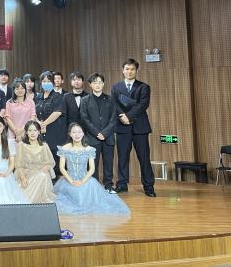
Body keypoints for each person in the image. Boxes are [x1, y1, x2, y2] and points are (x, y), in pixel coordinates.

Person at [54, 123, 130, 215]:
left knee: (85, 199)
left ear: (83, 134)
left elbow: (92, 169)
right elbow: (62, 168)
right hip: (68, 179)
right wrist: (71, 181)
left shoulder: (89, 149)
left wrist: (82, 181)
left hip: (85, 179)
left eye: (79, 132)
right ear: (70, 134)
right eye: (74, 132)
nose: (77, 135)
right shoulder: (65, 148)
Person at [111, 58, 156, 197]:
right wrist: (122, 116)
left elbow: (143, 105)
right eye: (127, 69)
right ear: (122, 70)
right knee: (122, 157)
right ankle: (122, 184)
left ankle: (148, 186)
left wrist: (128, 116)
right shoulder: (116, 87)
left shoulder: (144, 87)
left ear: (136, 71)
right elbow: (114, 104)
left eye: (132, 69)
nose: (129, 71)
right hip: (122, 127)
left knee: (144, 157)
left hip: (140, 127)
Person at [80, 73, 118, 192]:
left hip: (108, 137)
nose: (97, 85)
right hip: (92, 137)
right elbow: (84, 119)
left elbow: (114, 119)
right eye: (95, 82)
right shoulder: (85, 100)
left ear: (103, 84)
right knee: (93, 163)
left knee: (108, 162)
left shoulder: (111, 99)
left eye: (100, 82)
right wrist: (97, 133)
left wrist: (104, 133)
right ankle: (94, 186)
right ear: (90, 84)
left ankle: (108, 185)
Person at [15, 120, 56, 203]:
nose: (32, 133)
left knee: (43, 175)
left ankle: (39, 199)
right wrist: (22, 177)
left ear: (39, 132)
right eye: (30, 130)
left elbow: (50, 163)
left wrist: (46, 167)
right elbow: (18, 165)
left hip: (40, 174)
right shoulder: (21, 145)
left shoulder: (44, 146)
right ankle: (28, 200)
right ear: (26, 132)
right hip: (26, 175)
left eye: (35, 130)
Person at [34, 71, 66, 173]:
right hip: (39, 131)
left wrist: (44, 124)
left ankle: (55, 179)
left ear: (53, 82)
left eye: (49, 81)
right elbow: (33, 113)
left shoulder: (57, 96)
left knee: (54, 157)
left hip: (54, 131)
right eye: (44, 81)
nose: (46, 83)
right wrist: (39, 123)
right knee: (41, 157)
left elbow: (57, 112)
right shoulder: (37, 97)